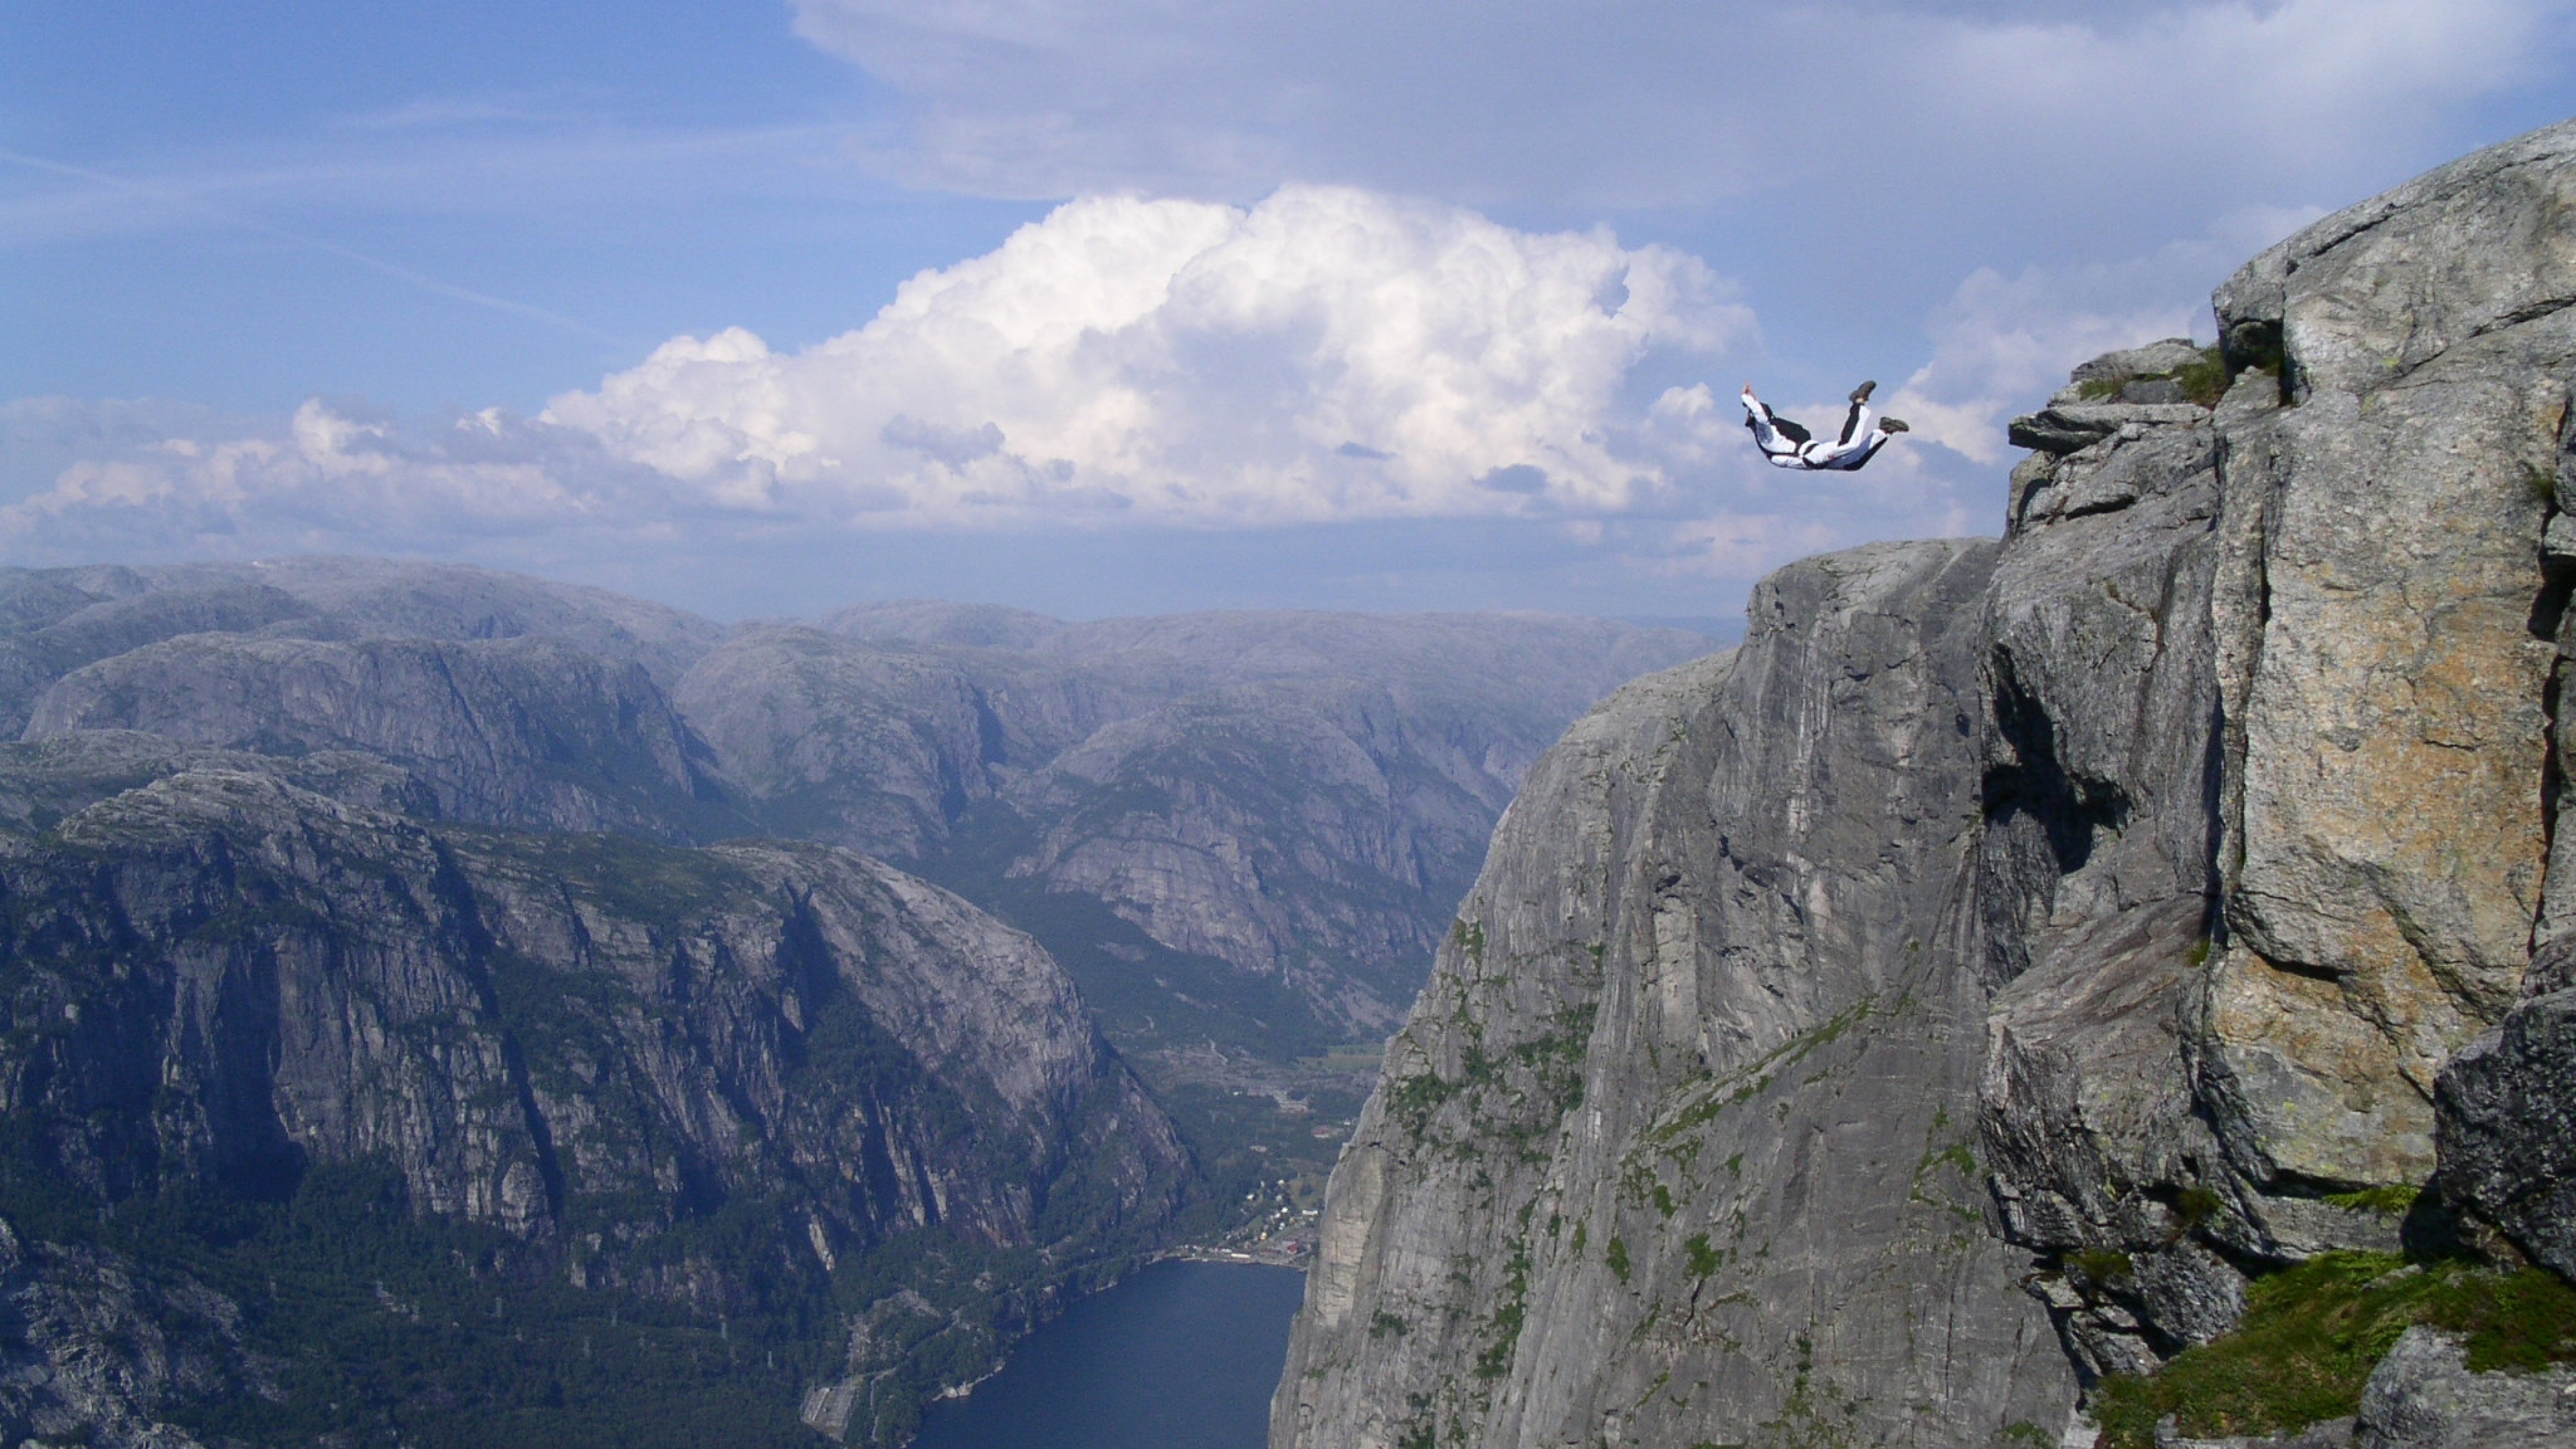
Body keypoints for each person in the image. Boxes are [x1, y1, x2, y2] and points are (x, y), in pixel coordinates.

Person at [1741, 380, 1909, 471]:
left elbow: (1761, 416)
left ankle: (1859, 401)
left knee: (1849, 444)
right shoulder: (1767, 430)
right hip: (1813, 458)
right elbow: (1761, 414)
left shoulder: (1765, 431)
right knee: (1854, 464)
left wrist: (1747, 399)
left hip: (1812, 456)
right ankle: (1884, 430)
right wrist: (1752, 402)